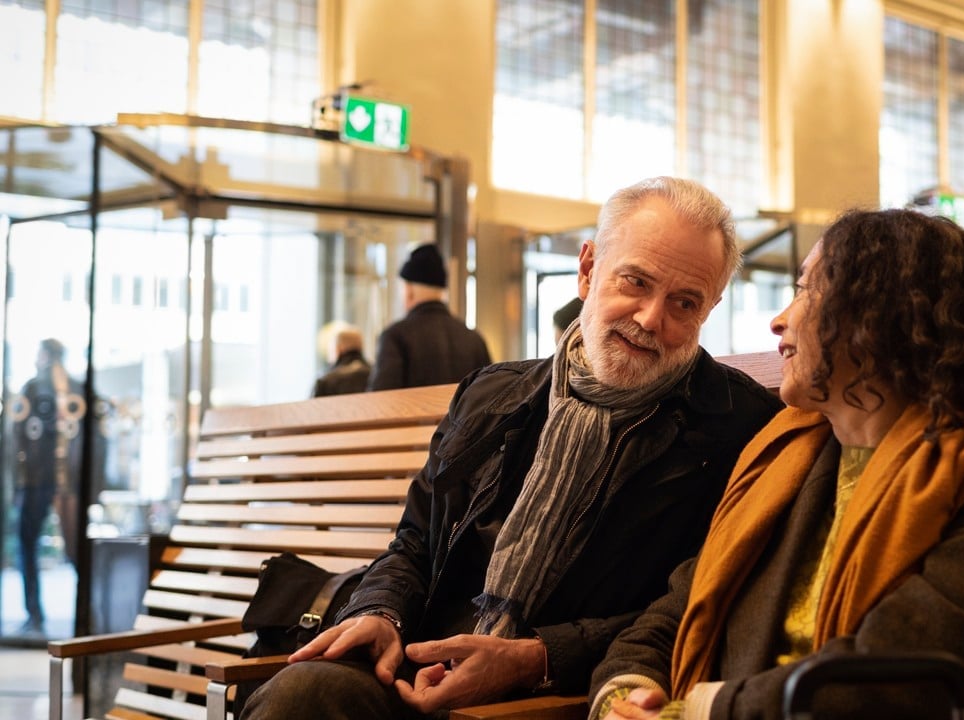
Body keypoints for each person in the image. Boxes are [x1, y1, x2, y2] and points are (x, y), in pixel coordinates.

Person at [241, 176, 783, 719]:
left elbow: (695, 608)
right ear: (588, 269)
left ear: (708, 309)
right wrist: (382, 612)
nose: (650, 319)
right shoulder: (493, 395)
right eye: (635, 282)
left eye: (683, 302)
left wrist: (536, 658)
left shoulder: (737, 429)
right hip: (417, 663)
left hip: (553, 694)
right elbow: (413, 544)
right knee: (303, 695)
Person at [590, 208, 964, 720]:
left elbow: (914, 683)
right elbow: (672, 615)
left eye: (806, 290)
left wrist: (699, 712)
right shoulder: (790, 457)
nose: (779, 321)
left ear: (883, 315)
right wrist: (623, 694)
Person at [10, 338, 86, 637]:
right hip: (46, 480)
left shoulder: (72, 390)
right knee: (32, 544)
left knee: (70, 548)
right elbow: (18, 436)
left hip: (53, 480)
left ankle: (46, 614)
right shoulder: (39, 389)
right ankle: (39, 613)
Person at [367, 243, 492, 390]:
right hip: (462, 414)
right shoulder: (474, 339)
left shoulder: (395, 337)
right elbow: (489, 395)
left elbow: (381, 400)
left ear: (409, 291)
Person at [313, 323, 372, 397]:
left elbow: (312, 407)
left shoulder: (326, 381)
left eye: (331, 349)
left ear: (339, 348)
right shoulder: (376, 374)